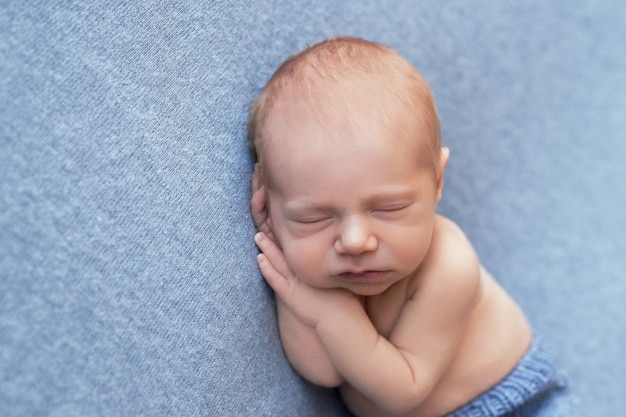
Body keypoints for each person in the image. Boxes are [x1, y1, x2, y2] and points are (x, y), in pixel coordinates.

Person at [247, 36, 576, 417]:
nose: (355, 241)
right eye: (313, 217)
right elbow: (324, 371)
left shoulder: (448, 264)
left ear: (437, 182)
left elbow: (405, 389)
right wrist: (289, 268)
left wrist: (328, 313)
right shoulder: (331, 271)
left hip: (513, 407)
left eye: (389, 208)